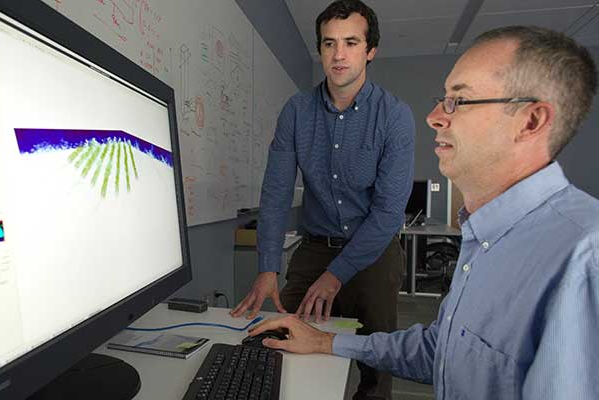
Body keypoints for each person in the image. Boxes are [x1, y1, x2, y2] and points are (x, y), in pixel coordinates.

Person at [247, 25, 599, 400]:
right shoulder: (484, 238)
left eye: (458, 101)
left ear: (530, 122)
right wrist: (326, 342)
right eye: (442, 98)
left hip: (373, 249)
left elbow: (386, 213)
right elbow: (443, 351)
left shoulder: (585, 256)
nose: (433, 117)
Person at [230, 1, 416, 398]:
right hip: (315, 249)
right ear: (320, 50)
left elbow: (387, 214)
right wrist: (267, 268)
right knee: (282, 341)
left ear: (370, 51)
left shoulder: (394, 117)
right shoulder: (296, 112)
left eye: (351, 42)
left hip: (374, 252)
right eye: (329, 44)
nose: (339, 54)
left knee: (375, 364)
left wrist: (336, 276)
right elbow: (276, 194)